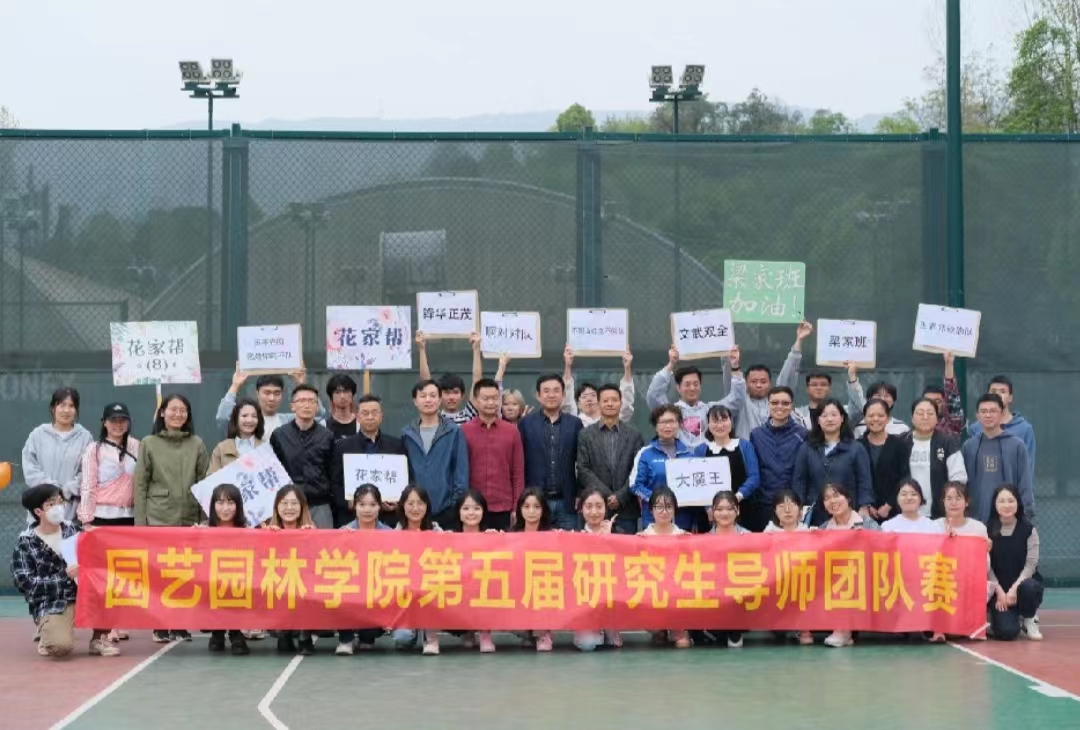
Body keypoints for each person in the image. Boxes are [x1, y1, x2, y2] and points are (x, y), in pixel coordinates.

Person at [135, 393, 209, 643]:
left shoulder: (197, 443)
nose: (178, 414)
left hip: (189, 517)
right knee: (160, 572)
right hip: (158, 516)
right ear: (162, 413)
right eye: (173, 409)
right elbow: (140, 485)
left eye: (182, 410)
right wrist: (140, 524)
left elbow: (204, 483)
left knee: (185, 571)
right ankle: (159, 624)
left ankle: (179, 623)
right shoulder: (149, 443)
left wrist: (204, 519)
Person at [12, 484, 118, 658]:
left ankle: (99, 637)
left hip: (84, 595)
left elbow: (99, 558)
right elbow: (26, 584)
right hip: (53, 603)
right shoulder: (26, 544)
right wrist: (64, 577)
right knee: (60, 647)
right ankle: (48, 632)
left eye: (60, 502)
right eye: (51, 504)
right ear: (38, 511)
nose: (58, 507)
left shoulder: (75, 531)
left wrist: (99, 536)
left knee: (110, 586)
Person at [576, 383, 647, 535]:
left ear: (621, 403)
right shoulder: (585, 435)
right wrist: (606, 496)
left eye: (614, 400)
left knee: (625, 548)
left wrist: (620, 496)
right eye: (605, 400)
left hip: (626, 508)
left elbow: (638, 470)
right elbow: (583, 469)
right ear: (598, 403)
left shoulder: (634, 435)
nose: (610, 404)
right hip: (595, 509)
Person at [331, 394, 408, 528]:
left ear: (381, 416)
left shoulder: (396, 445)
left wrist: (398, 502)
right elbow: (335, 482)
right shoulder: (342, 447)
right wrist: (348, 502)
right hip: (353, 518)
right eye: (365, 413)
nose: (370, 417)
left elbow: (405, 478)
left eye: (374, 413)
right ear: (357, 417)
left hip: (388, 518)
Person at [401, 380, 470, 530]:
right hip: (415, 512)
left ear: (439, 400)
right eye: (423, 396)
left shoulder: (454, 432)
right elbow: (404, 473)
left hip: (446, 511)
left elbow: (461, 474)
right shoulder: (407, 434)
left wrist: (453, 505)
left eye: (432, 396)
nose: (428, 400)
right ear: (415, 401)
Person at [519, 374, 584, 531]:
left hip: (567, 501)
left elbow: (582, 462)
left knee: (568, 544)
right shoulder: (526, 423)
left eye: (556, 390)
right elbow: (520, 463)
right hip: (536, 503)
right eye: (546, 391)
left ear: (563, 394)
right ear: (538, 395)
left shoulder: (575, 424)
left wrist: (580, 493)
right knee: (538, 544)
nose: (551, 395)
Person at [792, 398, 872, 526]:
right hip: (815, 514)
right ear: (818, 420)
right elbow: (799, 481)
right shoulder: (807, 448)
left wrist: (864, 506)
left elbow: (864, 481)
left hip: (848, 514)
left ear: (842, 418)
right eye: (824, 416)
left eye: (834, 415)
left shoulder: (856, 448)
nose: (829, 419)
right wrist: (798, 506)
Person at [645, 345, 746, 446]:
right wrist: (671, 364)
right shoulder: (671, 412)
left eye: (696, 384)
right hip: (678, 455)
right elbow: (654, 395)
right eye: (687, 384)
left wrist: (735, 366)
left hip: (708, 455)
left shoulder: (710, 410)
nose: (692, 388)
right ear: (678, 388)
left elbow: (736, 400)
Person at [820, 482, 879, 648]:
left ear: (848, 498)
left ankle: (843, 630)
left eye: (836, 495)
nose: (832, 501)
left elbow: (885, 548)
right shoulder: (823, 529)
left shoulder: (867, 524)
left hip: (865, 580)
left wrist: (868, 539)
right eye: (827, 498)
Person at [22, 387, 95, 523]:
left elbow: (88, 472)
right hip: (41, 514)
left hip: (71, 514)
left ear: (76, 410)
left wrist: (67, 490)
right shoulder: (37, 435)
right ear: (53, 408)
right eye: (62, 405)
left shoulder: (85, 438)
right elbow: (30, 469)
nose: (66, 410)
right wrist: (52, 490)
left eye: (71, 406)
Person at [269, 384, 336, 529]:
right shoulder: (279, 435)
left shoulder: (327, 436)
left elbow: (332, 470)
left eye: (312, 401)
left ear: (317, 407)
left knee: (324, 542)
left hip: (319, 504)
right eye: (302, 401)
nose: (307, 405)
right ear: (292, 406)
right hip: (288, 505)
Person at [461, 378, 524, 531]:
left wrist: (517, 507)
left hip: (503, 507)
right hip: (473, 508)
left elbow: (518, 472)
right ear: (476, 401)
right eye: (486, 398)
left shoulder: (511, 432)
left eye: (495, 398)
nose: (491, 403)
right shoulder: (464, 431)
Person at [961, 394, 1034, 524]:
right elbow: (962, 485)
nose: (988, 415)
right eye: (984, 411)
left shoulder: (1017, 445)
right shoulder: (969, 447)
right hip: (975, 520)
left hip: (1008, 520)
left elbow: (1025, 483)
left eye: (993, 411)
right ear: (978, 416)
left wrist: (1026, 515)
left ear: (1001, 414)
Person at [335, 484, 390, 656]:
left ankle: (368, 636)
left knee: (369, 633)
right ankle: (345, 639)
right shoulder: (343, 532)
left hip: (377, 591)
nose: (367, 509)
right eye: (362, 504)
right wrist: (341, 542)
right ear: (354, 506)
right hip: (350, 589)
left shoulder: (390, 535)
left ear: (380, 506)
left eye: (373, 504)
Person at [692, 491, 750, 649]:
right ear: (712, 512)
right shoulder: (703, 541)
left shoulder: (750, 537)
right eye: (719, 509)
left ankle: (734, 630)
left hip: (740, 594)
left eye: (730, 509)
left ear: (738, 511)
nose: (725, 513)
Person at [262, 485, 315, 655]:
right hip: (278, 587)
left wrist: (311, 539)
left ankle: (304, 634)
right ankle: (283, 632)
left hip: (303, 589)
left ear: (302, 507)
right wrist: (265, 539)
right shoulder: (267, 532)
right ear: (276, 507)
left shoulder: (312, 531)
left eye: (294, 503)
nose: (289, 508)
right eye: (284, 503)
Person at [747, 386, 808, 533]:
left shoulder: (802, 434)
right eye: (774, 403)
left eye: (785, 403)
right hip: (763, 504)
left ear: (792, 405)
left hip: (792, 505)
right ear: (768, 405)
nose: (779, 407)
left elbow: (803, 472)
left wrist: (799, 502)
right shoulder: (756, 434)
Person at [392, 485, 445, 655]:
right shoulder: (394, 534)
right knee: (402, 639)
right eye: (410, 503)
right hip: (404, 596)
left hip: (431, 591)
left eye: (420, 503)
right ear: (403, 506)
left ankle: (431, 637)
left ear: (427, 506)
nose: (415, 508)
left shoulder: (437, 531)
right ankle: (414, 630)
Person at [987, 484, 1044, 641]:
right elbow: (986, 565)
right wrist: (999, 592)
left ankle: (1029, 618)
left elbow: (1031, 565)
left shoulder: (1029, 530)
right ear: (995, 504)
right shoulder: (986, 530)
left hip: (1021, 588)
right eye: (1002, 501)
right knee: (1007, 632)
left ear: (1018, 503)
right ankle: (996, 617)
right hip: (999, 591)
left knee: (1030, 587)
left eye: (1011, 500)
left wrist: (1013, 590)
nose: (1007, 505)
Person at [638, 487, 691, 648]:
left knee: (682, 644)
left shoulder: (683, 536)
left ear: (675, 509)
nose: (664, 511)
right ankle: (658, 629)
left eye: (668, 507)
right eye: (659, 507)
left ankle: (678, 628)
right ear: (651, 509)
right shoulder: (642, 537)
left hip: (677, 592)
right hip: (653, 591)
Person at [631, 405, 696, 531]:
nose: (668, 426)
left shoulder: (689, 454)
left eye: (672, 421)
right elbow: (635, 485)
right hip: (653, 521)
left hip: (683, 521)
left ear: (679, 424)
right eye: (663, 422)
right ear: (656, 426)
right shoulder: (645, 453)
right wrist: (658, 500)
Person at [693, 405, 762, 524]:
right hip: (712, 513)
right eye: (715, 421)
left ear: (731, 422)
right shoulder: (701, 450)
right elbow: (697, 482)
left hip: (744, 507)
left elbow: (754, 477)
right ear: (708, 424)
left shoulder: (744, 446)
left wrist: (737, 497)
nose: (720, 425)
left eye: (724, 420)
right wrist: (708, 507)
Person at [204, 484, 250, 656]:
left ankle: (235, 632)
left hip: (239, 580)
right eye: (220, 502)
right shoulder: (204, 529)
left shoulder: (247, 530)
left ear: (238, 506)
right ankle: (217, 632)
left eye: (230, 503)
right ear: (213, 505)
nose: (225, 508)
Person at [215, 365, 324, 438]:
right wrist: (235, 385)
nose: (272, 398)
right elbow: (223, 418)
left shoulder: (289, 421)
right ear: (257, 394)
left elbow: (319, 416)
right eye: (267, 393)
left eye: (276, 393)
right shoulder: (247, 421)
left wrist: (302, 384)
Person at [574, 487, 621, 652]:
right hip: (585, 601)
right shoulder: (573, 536)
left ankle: (609, 627)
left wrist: (608, 539)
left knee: (615, 643)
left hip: (611, 598)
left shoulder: (618, 533)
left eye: (599, 506)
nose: (594, 512)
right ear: (581, 509)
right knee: (588, 644)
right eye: (588, 506)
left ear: (606, 508)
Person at [79, 402, 140, 528]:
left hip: (131, 517)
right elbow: (88, 485)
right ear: (104, 423)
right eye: (113, 420)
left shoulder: (137, 446)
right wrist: (86, 519)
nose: (118, 424)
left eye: (123, 420)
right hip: (102, 517)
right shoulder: (94, 449)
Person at [904, 398, 966, 519]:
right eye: (920, 413)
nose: (925, 417)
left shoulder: (947, 442)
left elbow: (959, 477)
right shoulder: (902, 441)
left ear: (937, 418)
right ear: (912, 418)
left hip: (939, 514)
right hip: (906, 513)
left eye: (930, 413)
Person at [968, 376, 1037, 483]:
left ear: (1010, 398)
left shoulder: (1024, 429)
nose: (997, 395)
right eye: (993, 391)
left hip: (1012, 491)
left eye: (1002, 391)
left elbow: (1028, 467)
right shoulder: (975, 428)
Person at [454, 489, 497, 653]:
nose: (471, 513)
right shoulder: (449, 538)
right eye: (466, 508)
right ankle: (467, 631)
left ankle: (485, 633)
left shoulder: (491, 537)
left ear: (483, 512)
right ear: (458, 513)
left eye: (476, 508)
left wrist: (499, 539)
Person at [858, 398, 911, 523]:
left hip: (894, 512)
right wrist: (866, 504)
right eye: (871, 415)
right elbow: (855, 479)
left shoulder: (899, 445)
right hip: (863, 512)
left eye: (880, 415)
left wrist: (889, 504)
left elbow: (904, 477)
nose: (876, 419)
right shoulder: (857, 445)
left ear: (887, 418)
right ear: (864, 419)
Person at [417, 331, 484, 424]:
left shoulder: (469, 415)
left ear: (462, 396)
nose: (451, 397)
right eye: (447, 392)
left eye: (455, 392)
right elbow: (426, 384)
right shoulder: (434, 416)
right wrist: (421, 348)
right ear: (439, 396)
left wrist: (476, 349)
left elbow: (477, 381)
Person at [561, 346, 635, 427]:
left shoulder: (612, 419)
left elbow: (626, 406)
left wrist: (627, 367)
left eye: (593, 395)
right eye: (584, 397)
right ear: (578, 404)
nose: (589, 399)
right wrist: (567, 366)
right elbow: (567, 401)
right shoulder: (574, 422)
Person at [792, 363, 867, 430]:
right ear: (807, 389)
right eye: (814, 385)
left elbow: (861, 410)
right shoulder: (796, 415)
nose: (819, 388)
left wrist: (852, 377)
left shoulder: (841, 412)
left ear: (829, 388)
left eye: (823, 384)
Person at [209, 397, 264, 474]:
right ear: (236, 418)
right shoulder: (221, 449)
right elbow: (211, 478)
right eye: (244, 416)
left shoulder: (266, 448)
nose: (249, 420)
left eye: (254, 416)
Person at [918, 352, 965, 436]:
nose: (933, 404)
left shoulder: (951, 425)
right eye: (928, 401)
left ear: (944, 403)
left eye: (937, 401)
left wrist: (949, 364)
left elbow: (951, 393)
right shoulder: (913, 432)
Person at [325, 373, 359, 441]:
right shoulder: (324, 426)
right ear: (331, 397)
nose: (342, 396)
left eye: (346, 391)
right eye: (337, 392)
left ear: (352, 395)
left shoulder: (360, 425)